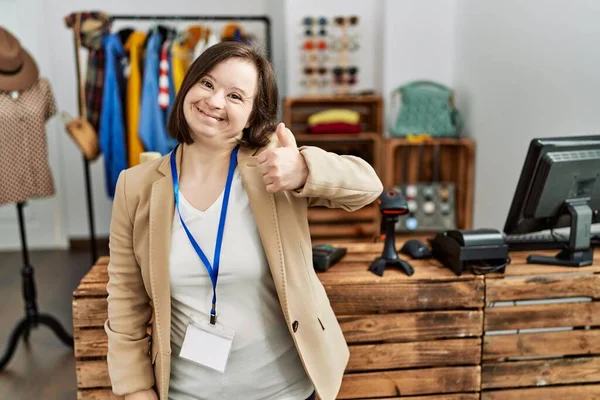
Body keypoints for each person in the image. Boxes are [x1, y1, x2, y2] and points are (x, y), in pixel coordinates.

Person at [104, 41, 383, 400]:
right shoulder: (136, 186)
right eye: (206, 83)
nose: (215, 101)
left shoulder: (273, 167)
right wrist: (136, 390)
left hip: (285, 391)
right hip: (184, 393)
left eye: (235, 96)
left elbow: (368, 186)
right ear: (187, 85)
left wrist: (303, 169)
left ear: (254, 114)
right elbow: (125, 300)